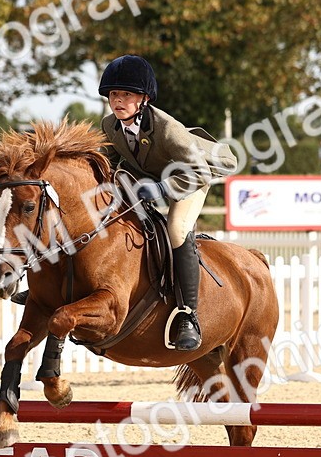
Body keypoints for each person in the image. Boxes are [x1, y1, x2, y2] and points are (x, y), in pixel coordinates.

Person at [98, 54, 236, 351]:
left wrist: (162, 188)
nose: (118, 101)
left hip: (193, 175)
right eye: (113, 94)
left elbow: (198, 171)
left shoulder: (166, 128)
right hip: (151, 175)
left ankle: (188, 316)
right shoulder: (110, 125)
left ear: (144, 99)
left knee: (176, 228)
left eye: (126, 95)